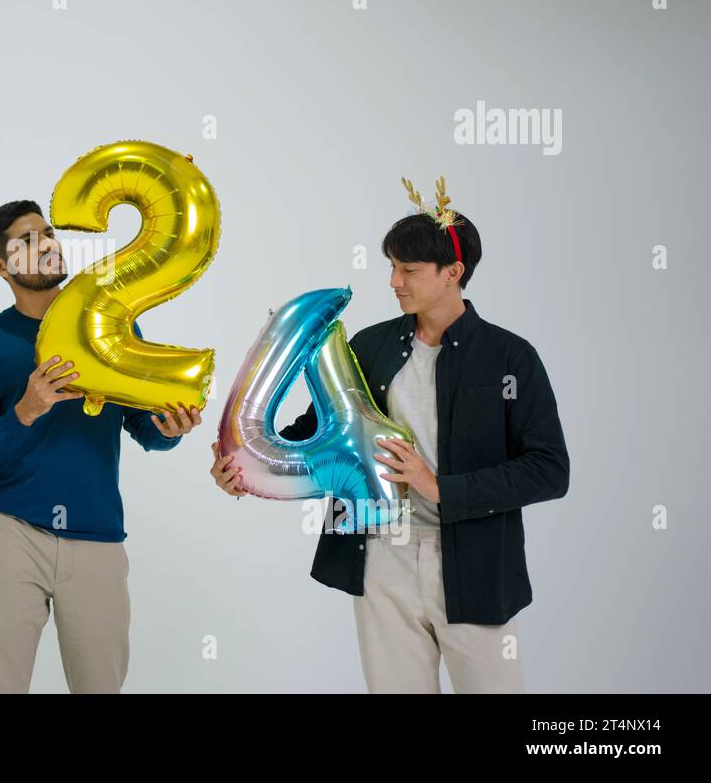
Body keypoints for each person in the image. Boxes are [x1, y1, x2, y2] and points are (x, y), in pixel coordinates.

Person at [211, 178, 569, 693]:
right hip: (380, 556)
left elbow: (550, 470)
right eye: (392, 267)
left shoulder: (509, 357)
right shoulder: (371, 344)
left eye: (409, 270)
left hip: (474, 565)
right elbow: (315, 431)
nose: (394, 281)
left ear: (453, 273)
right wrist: (246, 470)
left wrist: (440, 485)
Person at [0, 200, 201, 693]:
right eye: (25, 241)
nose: (45, 244)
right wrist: (25, 409)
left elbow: (144, 426)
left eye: (46, 233)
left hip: (98, 538)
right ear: (0, 268)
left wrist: (169, 430)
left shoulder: (110, 326)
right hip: (13, 536)